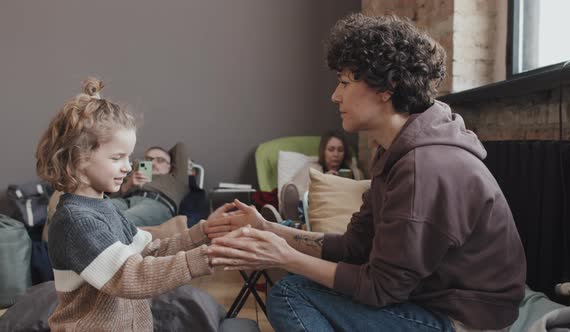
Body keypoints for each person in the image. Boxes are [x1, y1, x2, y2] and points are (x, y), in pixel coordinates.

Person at [206, 13, 526, 332]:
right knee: (298, 281)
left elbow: (380, 288)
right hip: (427, 299)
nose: (335, 95)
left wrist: (283, 257)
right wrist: (271, 230)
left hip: (465, 321)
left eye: (345, 82)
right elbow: (354, 248)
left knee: (291, 295)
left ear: (387, 87)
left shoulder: (424, 166)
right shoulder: (396, 151)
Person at [35, 77, 234, 331]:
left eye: (129, 157)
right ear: (79, 158)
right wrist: (202, 258)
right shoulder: (76, 221)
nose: (128, 167)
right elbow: (130, 276)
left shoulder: (106, 207)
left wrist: (202, 233)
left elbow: (149, 251)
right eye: (118, 157)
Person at [111, 142, 189, 227]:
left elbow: (180, 147)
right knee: (97, 210)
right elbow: (108, 195)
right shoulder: (133, 174)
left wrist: (166, 155)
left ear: (170, 167)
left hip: (157, 204)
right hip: (126, 200)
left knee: (120, 221)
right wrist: (128, 185)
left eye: (160, 160)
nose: (153, 164)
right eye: (149, 160)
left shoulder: (176, 179)